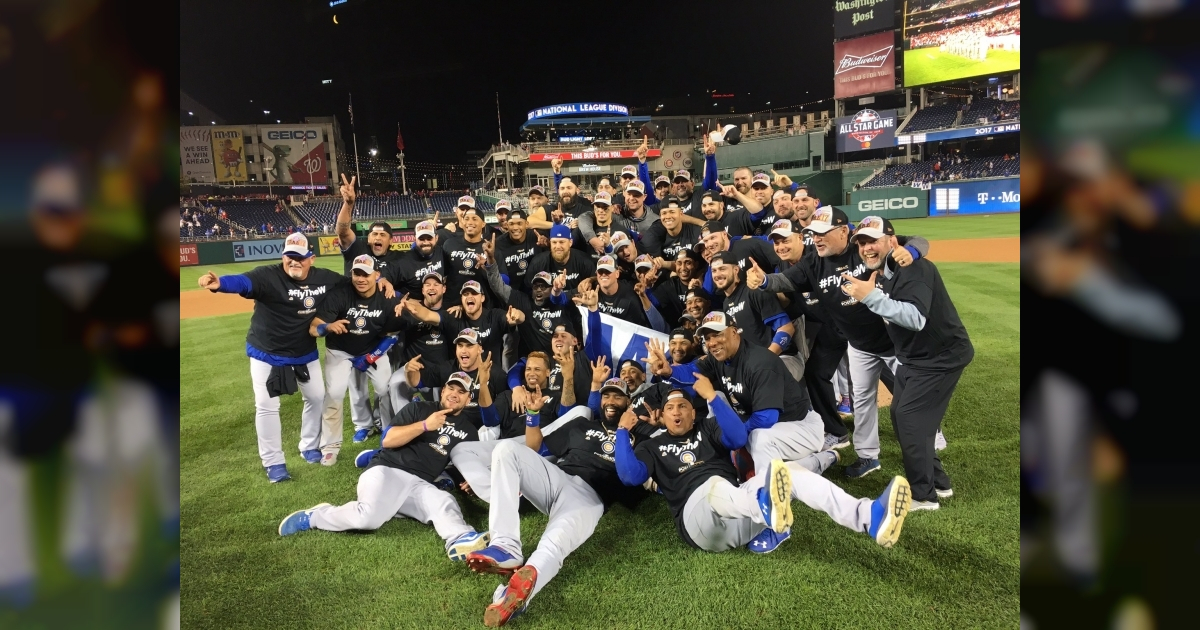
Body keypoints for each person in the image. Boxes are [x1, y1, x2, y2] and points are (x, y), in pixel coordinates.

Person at [744, 208, 929, 479]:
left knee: (912, 397)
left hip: (895, 340)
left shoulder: (864, 247)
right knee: (863, 400)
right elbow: (784, 280)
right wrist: (763, 281)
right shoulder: (812, 262)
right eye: (813, 234)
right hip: (859, 343)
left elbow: (918, 241)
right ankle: (868, 456)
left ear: (844, 231)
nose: (816, 239)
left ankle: (930, 442)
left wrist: (911, 252)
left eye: (822, 234)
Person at [613, 388, 913, 553]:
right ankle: (764, 506)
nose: (677, 412)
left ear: (693, 412)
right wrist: (623, 433)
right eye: (670, 409)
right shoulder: (651, 446)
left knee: (789, 473)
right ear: (662, 417)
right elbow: (630, 476)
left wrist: (714, 399)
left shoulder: (708, 427)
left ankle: (868, 517)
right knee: (713, 486)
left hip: (742, 517)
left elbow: (738, 438)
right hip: (700, 526)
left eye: (683, 407)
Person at [463, 375, 653, 627]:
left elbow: (634, 476)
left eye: (617, 396)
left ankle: (511, 599)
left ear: (628, 402)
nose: (610, 400)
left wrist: (634, 428)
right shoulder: (582, 427)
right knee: (505, 450)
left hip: (589, 498)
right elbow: (534, 446)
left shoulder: (640, 439)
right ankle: (506, 546)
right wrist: (532, 413)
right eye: (606, 395)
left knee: (553, 546)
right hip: (557, 477)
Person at [277, 372, 493, 564]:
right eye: (451, 388)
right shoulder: (419, 408)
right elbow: (388, 440)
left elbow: (463, 464)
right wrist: (425, 425)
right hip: (388, 468)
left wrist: (467, 480)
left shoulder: (468, 431)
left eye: (461, 392)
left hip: (419, 483)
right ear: (443, 390)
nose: (454, 394)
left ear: (468, 398)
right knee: (367, 519)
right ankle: (315, 516)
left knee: (443, 501)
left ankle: (460, 538)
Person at [843, 216, 973, 511]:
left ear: (891, 241)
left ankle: (923, 496)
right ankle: (938, 482)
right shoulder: (887, 267)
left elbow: (915, 318)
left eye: (872, 241)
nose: (865, 248)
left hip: (940, 357)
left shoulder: (913, 268)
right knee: (907, 420)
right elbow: (916, 241)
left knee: (911, 421)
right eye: (861, 243)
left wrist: (870, 297)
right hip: (914, 357)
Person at [196, 232, 349, 482]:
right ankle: (274, 462)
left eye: (300, 257)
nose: (294, 262)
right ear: (283, 256)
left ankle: (308, 445)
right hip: (266, 352)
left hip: (303, 351)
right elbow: (243, 283)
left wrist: (383, 283)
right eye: (290, 256)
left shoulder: (325, 278)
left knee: (316, 396)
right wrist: (220, 284)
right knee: (267, 406)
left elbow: (352, 285)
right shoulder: (267, 275)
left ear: (311, 258)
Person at [649, 312, 833, 477]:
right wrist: (668, 371)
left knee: (759, 438)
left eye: (718, 335)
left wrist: (732, 437)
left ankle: (811, 464)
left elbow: (766, 418)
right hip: (770, 425)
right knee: (718, 399)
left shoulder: (760, 363)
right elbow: (692, 372)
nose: (712, 343)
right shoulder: (719, 357)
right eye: (707, 338)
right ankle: (739, 464)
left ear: (734, 332)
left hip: (799, 426)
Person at [309, 255, 402, 465]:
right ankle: (331, 445)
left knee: (384, 389)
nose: (361, 278)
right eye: (356, 273)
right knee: (334, 393)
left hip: (373, 348)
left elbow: (392, 334)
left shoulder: (386, 297)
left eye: (366, 274)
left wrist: (371, 356)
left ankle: (388, 431)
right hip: (340, 351)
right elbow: (314, 327)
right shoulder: (340, 295)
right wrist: (327, 327)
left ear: (376, 275)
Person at [708, 250, 801, 379]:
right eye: (714, 271)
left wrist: (766, 360)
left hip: (783, 358)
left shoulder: (754, 290)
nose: (718, 274)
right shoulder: (725, 304)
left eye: (722, 269)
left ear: (736, 270)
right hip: (755, 366)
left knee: (764, 382)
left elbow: (787, 329)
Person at [492, 209, 543, 294]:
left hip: (535, 290)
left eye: (519, 223)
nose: (515, 228)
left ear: (526, 224)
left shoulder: (536, 236)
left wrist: (547, 244)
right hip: (511, 293)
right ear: (507, 225)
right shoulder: (498, 244)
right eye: (511, 224)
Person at [640, 196, 703, 264]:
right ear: (660, 216)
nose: (668, 217)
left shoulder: (694, 232)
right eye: (664, 213)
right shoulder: (657, 236)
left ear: (681, 214)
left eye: (672, 212)